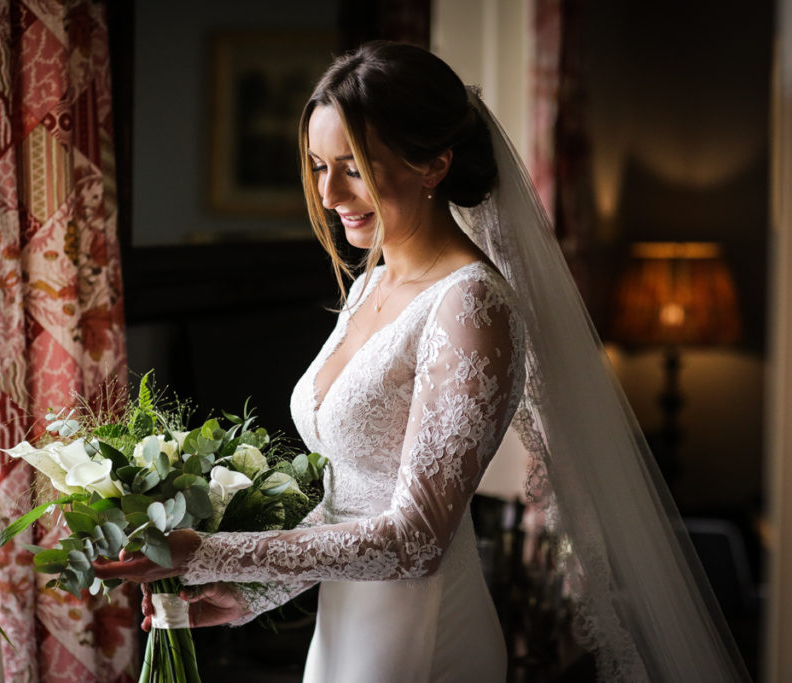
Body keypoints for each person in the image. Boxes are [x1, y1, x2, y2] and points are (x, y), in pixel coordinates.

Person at [96, 42, 750, 683]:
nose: (329, 194)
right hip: (347, 622)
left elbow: (414, 538)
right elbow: (349, 499)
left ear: (433, 164)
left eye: (353, 166)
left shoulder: (470, 306)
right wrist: (252, 593)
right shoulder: (369, 286)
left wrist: (206, 552)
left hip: (423, 630)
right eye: (318, 165)